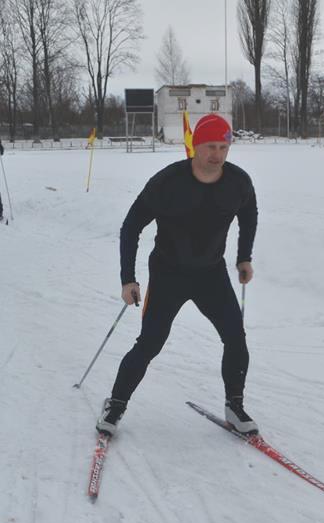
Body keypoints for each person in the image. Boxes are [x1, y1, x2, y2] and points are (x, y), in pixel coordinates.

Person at [96, 113, 258, 437]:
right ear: (195, 146)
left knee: (235, 337)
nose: (217, 154)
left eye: (223, 147)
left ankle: (234, 405)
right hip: (169, 273)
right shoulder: (168, 182)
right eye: (210, 146)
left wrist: (243, 258)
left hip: (211, 273)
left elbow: (249, 215)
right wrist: (127, 278)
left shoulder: (238, 182)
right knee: (150, 343)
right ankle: (115, 403)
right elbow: (131, 227)